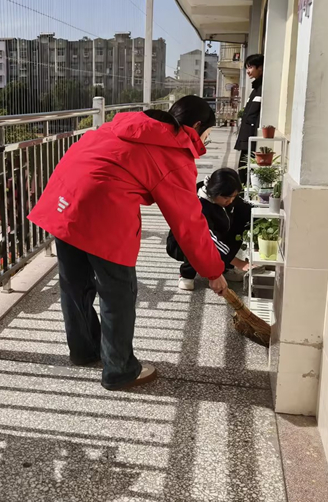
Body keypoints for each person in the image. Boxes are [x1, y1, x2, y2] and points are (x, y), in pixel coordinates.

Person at [28, 96, 228, 391]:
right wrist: (213, 270)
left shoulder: (121, 125)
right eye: (206, 134)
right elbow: (188, 223)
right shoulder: (173, 151)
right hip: (103, 212)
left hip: (64, 202)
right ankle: (120, 370)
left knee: (75, 285)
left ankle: (84, 351)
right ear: (197, 126)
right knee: (118, 294)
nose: (204, 141)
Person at [165, 168, 252, 290]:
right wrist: (239, 263)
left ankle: (224, 267)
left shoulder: (220, 193)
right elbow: (206, 239)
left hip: (213, 233)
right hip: (181, 243)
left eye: (233, 196)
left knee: (241, 216)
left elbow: (243, 207)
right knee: (196, 241)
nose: (231, 201)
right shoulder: (199, 206)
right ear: (215, 192)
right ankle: (187, 274)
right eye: (227, 198)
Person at [235, 54, 264, 183]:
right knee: (243, 170)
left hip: (252, 138)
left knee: (246, 172)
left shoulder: (262, 88)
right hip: (247, 137)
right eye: (247, 68)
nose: (248, 71)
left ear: (260, 68)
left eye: (250, 67)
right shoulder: (256, 88)